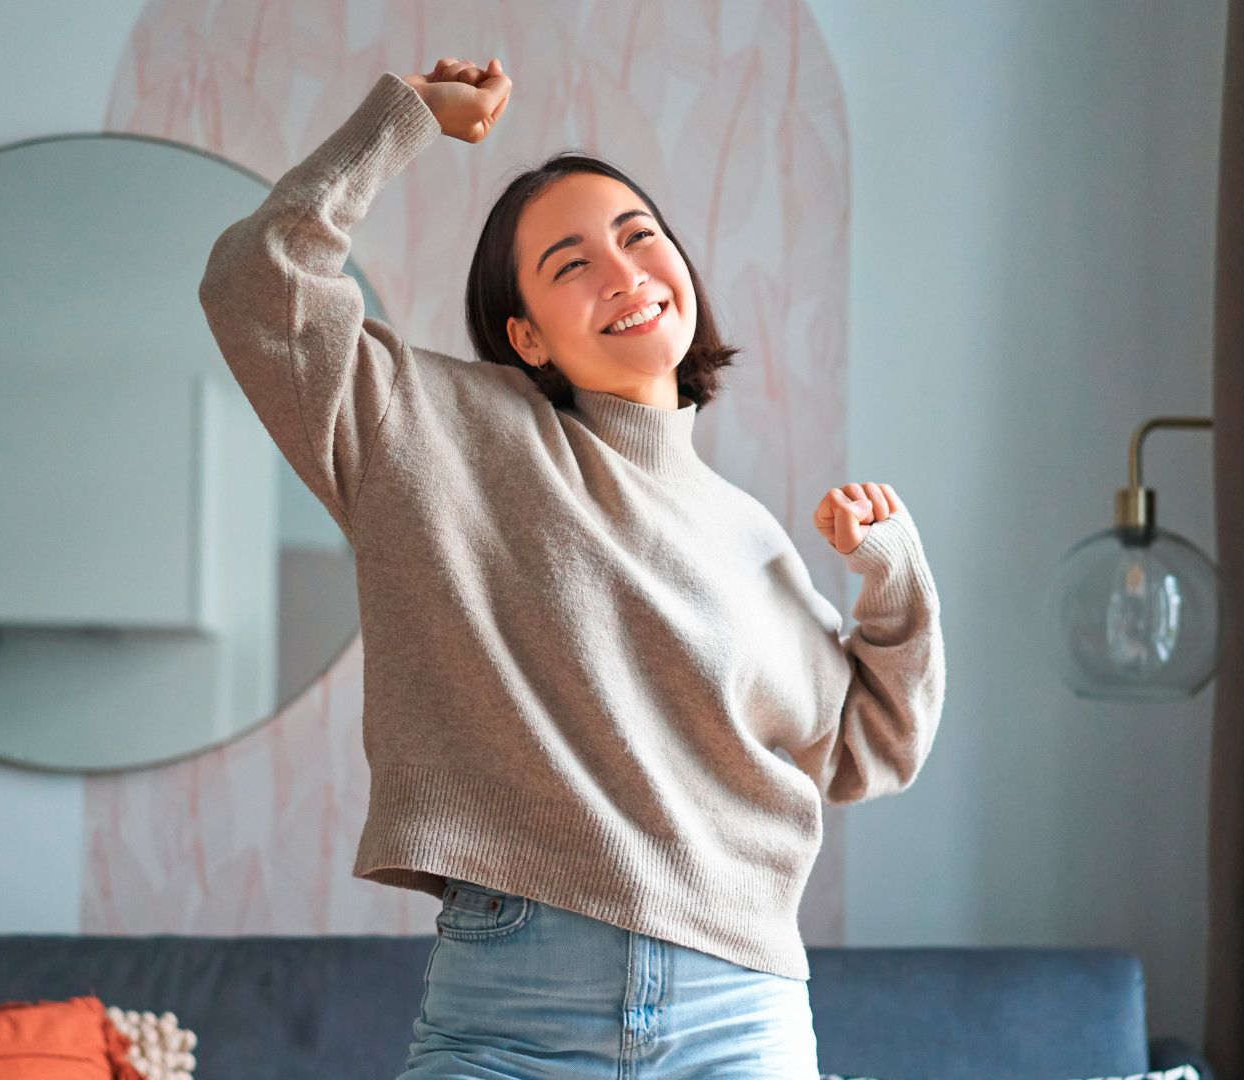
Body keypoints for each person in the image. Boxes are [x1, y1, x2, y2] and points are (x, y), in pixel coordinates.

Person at [197, 55, 946, 1080]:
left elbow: (869, 748)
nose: (624, 272)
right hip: (512, 1015)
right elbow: (257, 286)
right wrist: (405, 119)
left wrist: (894, 580)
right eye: (571, 263)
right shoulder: (439, 434)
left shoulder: (750, 534)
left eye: (640, 237)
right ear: (525, 336)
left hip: (741, 1019)